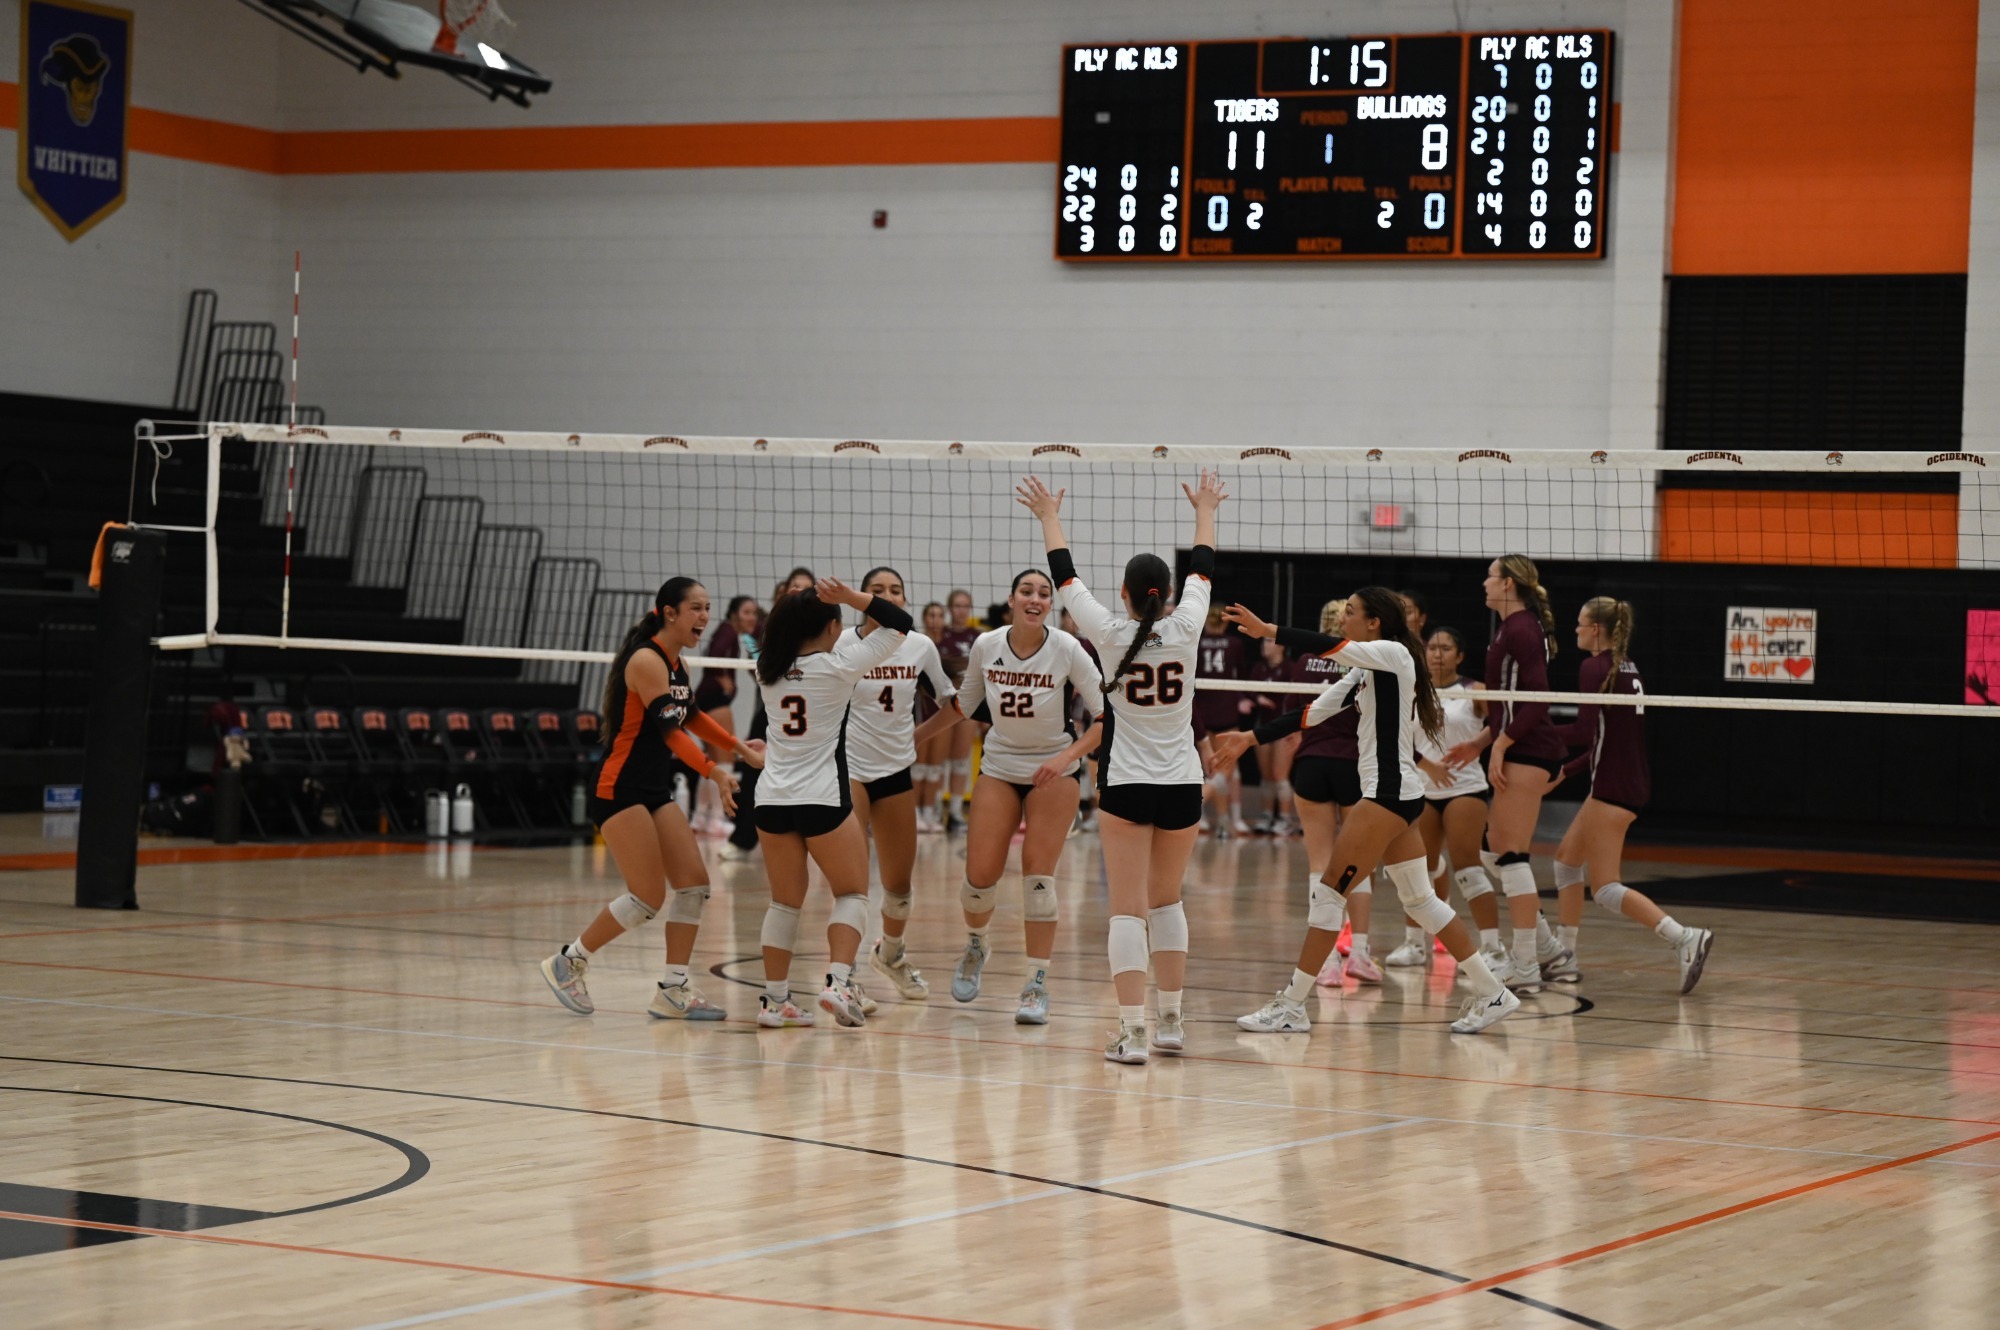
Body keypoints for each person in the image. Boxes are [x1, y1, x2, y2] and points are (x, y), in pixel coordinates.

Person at [1212, 588, 1520, 1036]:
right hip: (1399, 793)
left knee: (1328, 893)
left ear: (1374, 622)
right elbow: (1313, 712)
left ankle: (1293, 1005)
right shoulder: (1365, 669)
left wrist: (1269, 631)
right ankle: (1492, 991)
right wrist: (1249, 738)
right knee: (1420, 900)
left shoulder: (1392, 653)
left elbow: (1331, 646)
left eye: (1352, 613)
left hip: (1387, 795)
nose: (1344, 619)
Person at [1020, 469, 1226, 1064]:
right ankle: (1171, 1024)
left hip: (1128, 785)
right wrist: (1206, 508)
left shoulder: (1106, 632)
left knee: (1127, 910)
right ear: (1165, 593)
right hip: (1183, 784)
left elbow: (1064, 579)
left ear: (1127, 592)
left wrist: (1048, 517)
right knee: (1167, 903)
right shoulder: (1187, 626)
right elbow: (1203, 568)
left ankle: (1132, 1031)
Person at [539, 578, 764, 1020]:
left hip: (651, 788)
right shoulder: (646, 659)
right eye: (696, 608)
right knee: (646, 897)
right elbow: (671, 732)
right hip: (617, 788)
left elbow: (692, 715)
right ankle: (570, 960)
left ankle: (673, 987)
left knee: (694, 885)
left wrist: (737, 750)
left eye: (707, 608)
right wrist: (713, 770)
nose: (704, 616)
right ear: (669, 613)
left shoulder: (676, 663)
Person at [916, 570, 1103, 1024]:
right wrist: (917, 737)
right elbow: (964, 705)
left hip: (1054, 771)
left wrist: (1066, 760)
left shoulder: (1067, 647)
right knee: (979, 875)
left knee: (1038, 880)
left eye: (1043, 593)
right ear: (1011, 599)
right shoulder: (987, 646)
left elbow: (1104, 717)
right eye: (1027, 592)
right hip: (1001, 766)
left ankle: (1036, 984)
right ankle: (977, 945)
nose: (1035, 599)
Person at [752, 576, 912, 1028]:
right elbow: (900, 623)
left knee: (784, 903)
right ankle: (839, 982)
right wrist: (851, 596)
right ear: (829, 628)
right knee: (852, 894)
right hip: (821, 798)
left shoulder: (765, 667)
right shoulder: (840, 666)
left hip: (771, 799)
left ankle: (774, 1001)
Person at [1550, 597, 1714, 992]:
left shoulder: (1594, 667)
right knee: (1565, 863)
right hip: (1621, 780)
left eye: (1580, 623)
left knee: (1605, 888)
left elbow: (1583, 733)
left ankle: (1683, 936)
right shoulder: (1628, 666)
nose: (1575, 630)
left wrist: (1528, 736)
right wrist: (1565, 770)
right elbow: (1605, 740)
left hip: (1614, 787)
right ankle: (1564, 958)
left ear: (1596, 629)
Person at [1222, 599, 1383, 985]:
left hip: (1312, 765)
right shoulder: (1366, 661)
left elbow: (1293, 713)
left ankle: (1326, 963)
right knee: (1355, 865)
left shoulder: (1303, 662)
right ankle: (1358, 953)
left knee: (1319, 866)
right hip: (1354, 765)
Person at [1444, 555, 1573, 994]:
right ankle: (1549, 950)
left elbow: (1537, 700)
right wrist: (1482, 742)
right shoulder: (1511, 627)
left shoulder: (1521, 628)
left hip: (1529, 751)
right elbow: (1508, 702)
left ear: (1509, 583)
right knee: (1492, 852)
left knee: (1510, 856)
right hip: (1520, 747)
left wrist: (1500, 743)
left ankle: (1525, 965)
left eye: (1490, 575)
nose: (1484, 582)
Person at [842, 567, 956, 1003]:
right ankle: (843, 974)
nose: (887, 596)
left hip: (895, 772)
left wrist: (919, 736)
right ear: (862, 599)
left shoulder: (920, 646)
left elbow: (952, 704)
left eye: (895, 591)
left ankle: (889, 955)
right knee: (852, 881)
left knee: (899, 885)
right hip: (848, 769)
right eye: (877, 591)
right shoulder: (843, 644)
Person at [1398, 625, 1497, 968]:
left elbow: (1505, 722)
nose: (1437, 654)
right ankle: (1414, 944)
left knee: (1467, 868)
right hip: (1421, 787)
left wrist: (1477, 745)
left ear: (1460, 656)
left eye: (1446, 648)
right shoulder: (1412, 690)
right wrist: (1427, 766)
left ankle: (1494, 948)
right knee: (1417, 870)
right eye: (1432, 648)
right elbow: (1395, 736)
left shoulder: (1475, 690)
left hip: (1465, 788)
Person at [722, 570, 816, 862]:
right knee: (753, 773)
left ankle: (812, 837)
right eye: (793, 587)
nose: (797, 591)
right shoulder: (767, 629)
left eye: (804, 588)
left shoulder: (824, 629)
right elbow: (757, 666)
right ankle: (742, 839)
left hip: (814, 715)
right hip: (771, 713)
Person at [690, 594, 760, 837]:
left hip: (706, 701)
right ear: (734, 614)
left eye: (754, 613)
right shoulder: (729, 632)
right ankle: (718, 818)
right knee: (726, 761)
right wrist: (722, 677)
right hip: (716, 701)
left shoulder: (733, 633)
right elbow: (713, 656)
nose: (752, 617)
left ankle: (701, 818)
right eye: (747, 612)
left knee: (712, 762)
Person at [1194, 605, 1257, 838]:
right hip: (1225, 710)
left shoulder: (1196, 643)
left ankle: (1205, 818)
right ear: (1226, 622)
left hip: (1201, 709)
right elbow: (1240, 677)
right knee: (1226, 767)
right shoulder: (1235, 644)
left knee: (1209, 767)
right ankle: (1224, 819)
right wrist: (1242, 698)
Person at [937, 589, 982, 833]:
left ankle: (955, 812)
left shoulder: (978, 637)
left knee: (960, 760)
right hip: (943, 705)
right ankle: (935, 809)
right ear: (950, 608)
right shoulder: (939, 636)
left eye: (966, 605)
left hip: (968, 705)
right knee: (937, 760)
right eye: (957, 605)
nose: (961, 610)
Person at [1249, 638, 1295, 835]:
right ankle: (1267, 816)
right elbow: (1247, 690)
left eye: (1269, 641)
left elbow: (1298, 697)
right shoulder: (1259, 668)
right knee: (1267, 776)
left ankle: (1286, 819)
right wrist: (1257, 698)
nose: (1264, 645)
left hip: (1284, 727)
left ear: (1281, 646)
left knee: (1279, 775)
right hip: (1264, 726)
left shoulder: (1290, 668)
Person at [913, 600, 951, 832]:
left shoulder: (948, 646)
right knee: (918, 764)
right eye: (932, 615)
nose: (936, 619)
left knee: (935, 766)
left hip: (944, 710)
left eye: (940, 615)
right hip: (921, 709)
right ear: (925, 618)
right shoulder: (919, 644)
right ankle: (914, 811)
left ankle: (930, 812)